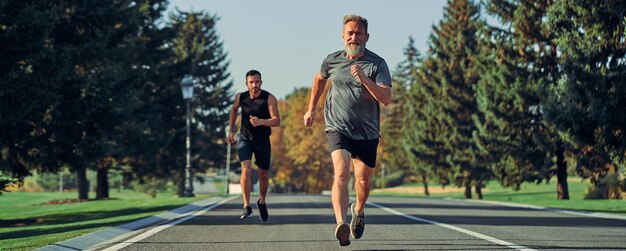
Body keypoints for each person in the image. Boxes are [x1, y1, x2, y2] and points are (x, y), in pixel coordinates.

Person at [303, 14, 391, 246]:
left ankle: (358, 211)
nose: (354, 37)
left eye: (358, 33)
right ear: (343, 36)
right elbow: (319, 80)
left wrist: (365, 79)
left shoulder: (377, 64)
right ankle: (341, 223)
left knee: (363, 180)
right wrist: (311, 109)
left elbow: (386, 98)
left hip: (367, 131)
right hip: (337, 126)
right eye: (350, 33)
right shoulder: (331, 60)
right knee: (341, 173)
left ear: (367, 37)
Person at [228, 70, 280, 222]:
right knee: (246, 168)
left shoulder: (269, 98)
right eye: (251, 82)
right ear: (246, 84)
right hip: (245, 138)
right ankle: (246, 206)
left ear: (261, 83)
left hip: (263, 140)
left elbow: (276, 120)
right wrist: (230, 130)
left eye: (257, 82)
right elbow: (233, 110)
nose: (254, 85)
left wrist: (261, 121)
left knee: (263, 174)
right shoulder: (240, 97)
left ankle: (262, 201)